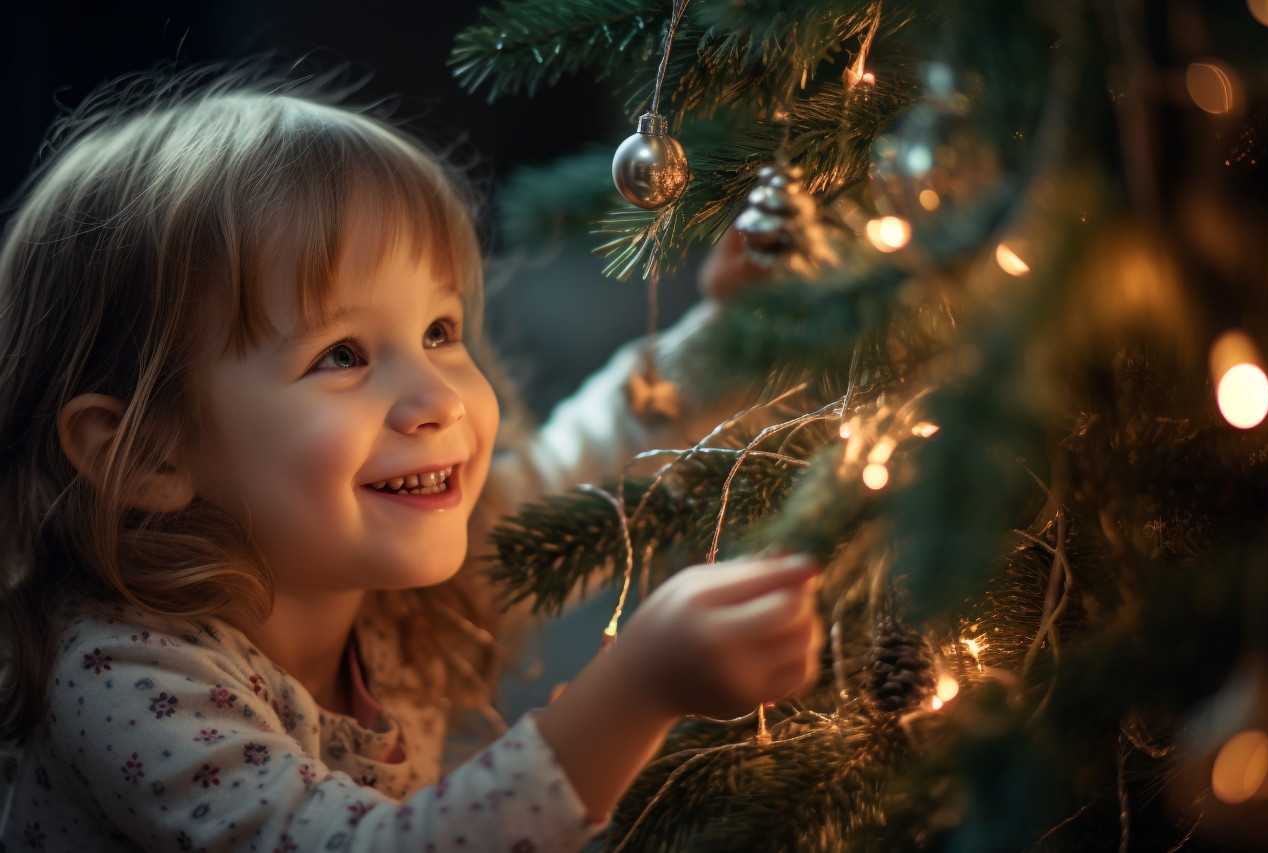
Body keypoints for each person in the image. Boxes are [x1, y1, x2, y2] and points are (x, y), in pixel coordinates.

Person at [0, 65, 823, 852]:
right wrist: (637, 688)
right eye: (343, 354)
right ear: (147, 454)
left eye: (439, 332)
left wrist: (724, 337)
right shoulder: (120, 681)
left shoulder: (384, 582)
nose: (438, 401)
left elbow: (582, 473)